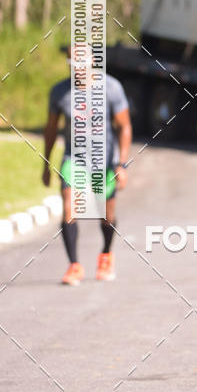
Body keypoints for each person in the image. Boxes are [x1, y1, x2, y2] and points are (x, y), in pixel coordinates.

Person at [42, 49, 132, 285]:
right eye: (74, 63)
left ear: (93, 62)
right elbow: (51, 129)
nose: (79, 68)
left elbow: (124, 127)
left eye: (83, 63)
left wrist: (121, 164)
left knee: (107, 215)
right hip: (74, 160)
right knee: (69, 209)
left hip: (104, 162)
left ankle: (105, 254)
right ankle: (74, 265)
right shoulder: (60, 92)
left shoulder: (111, 88)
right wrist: (46, 162)